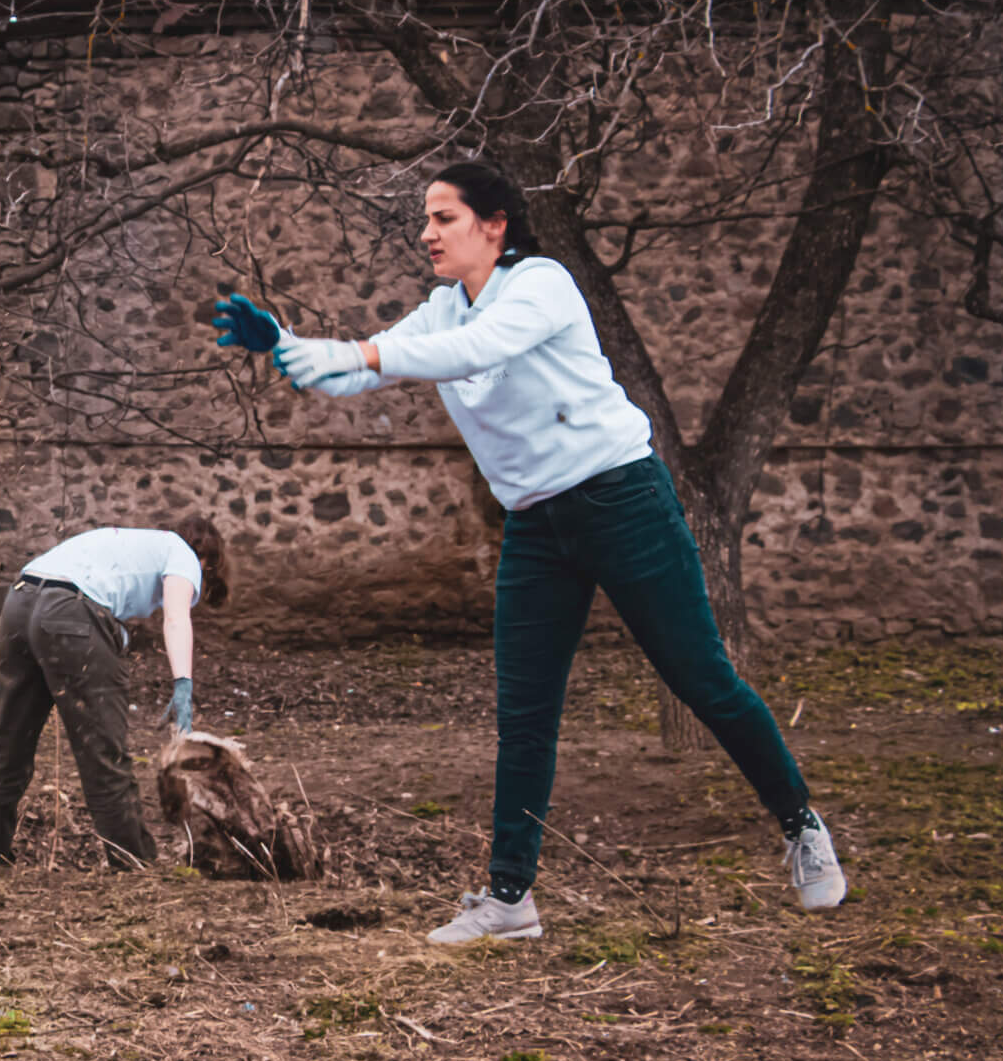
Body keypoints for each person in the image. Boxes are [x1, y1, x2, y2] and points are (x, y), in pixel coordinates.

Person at [211, 159, 844, 944]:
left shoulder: (540, 284)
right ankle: (509, 899)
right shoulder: (441, 311)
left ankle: (801, 825)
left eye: (444, 217)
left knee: (702, 679)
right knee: (526, 711)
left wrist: (360, 354)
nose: (427, 232)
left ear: (495, 223)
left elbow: (473, 351)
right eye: (427, 219)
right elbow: (361, 370)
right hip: (538, 525)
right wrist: (287, 343)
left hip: (622, 500)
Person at [0, 519, 228, 869]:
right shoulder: (183, 554)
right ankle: (134, 863)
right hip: (69, 611)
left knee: (9, 739)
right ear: (206, 560)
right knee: (102, 748)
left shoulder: (123, 540)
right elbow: (176, 618)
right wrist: (183, 683)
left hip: (20, 600)